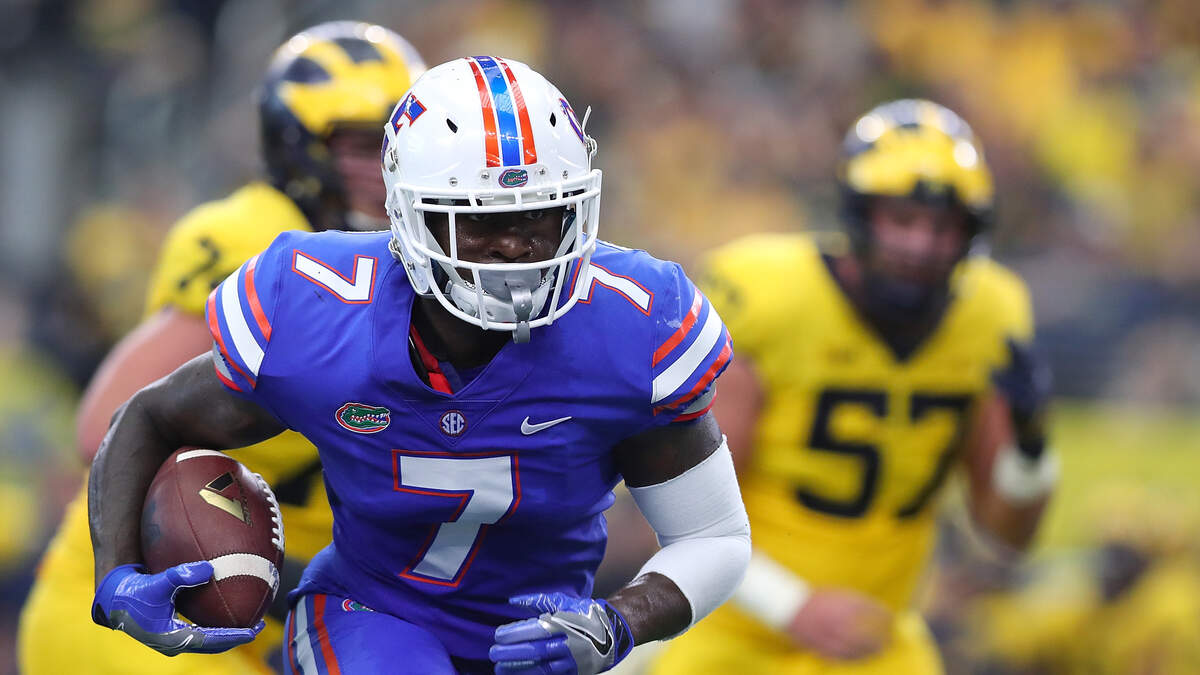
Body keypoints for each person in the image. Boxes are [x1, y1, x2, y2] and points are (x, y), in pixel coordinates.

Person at [87, 56, 752, 675]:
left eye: (540, 217)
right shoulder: (321, 309)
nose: (515, 247)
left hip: (545, 640)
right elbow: (149, 415)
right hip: (371, 614)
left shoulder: (633, 325)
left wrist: (618, 622)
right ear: (411, 217)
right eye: (479, 222)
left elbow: (714, 535)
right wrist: (115, 577)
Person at [17, 21, 425, 675]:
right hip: (155, 604)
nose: (385, 172)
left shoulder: (428, 268)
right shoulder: (258, 243)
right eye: (359, 146)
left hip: (275, 619)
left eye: (397, 149)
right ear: (297, 147)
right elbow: (104, 429)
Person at [650, 99, 1056, 674]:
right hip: (737, 636)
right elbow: (682, 514)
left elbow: (1007, 539)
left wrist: (1033, 455)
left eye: (942, 227)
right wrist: (790, 606)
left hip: (876, 643)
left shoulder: (990, 314)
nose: (921, 246)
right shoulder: (772, 298)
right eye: (903, 220)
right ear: (859, 215)